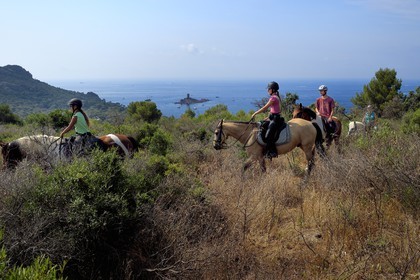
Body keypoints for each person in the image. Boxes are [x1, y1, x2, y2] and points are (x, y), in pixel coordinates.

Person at [251, 81, 282, 159]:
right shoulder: (276, 97)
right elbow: (274, 110)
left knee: (268, 135)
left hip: (275, 119)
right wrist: (268, 117)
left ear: (273, 90)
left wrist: (255, 113)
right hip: (273, 117)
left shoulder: (273, 98)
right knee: (262, 126)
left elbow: (265, 108)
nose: (268, 90)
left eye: (269, 89)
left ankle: (272, 152)